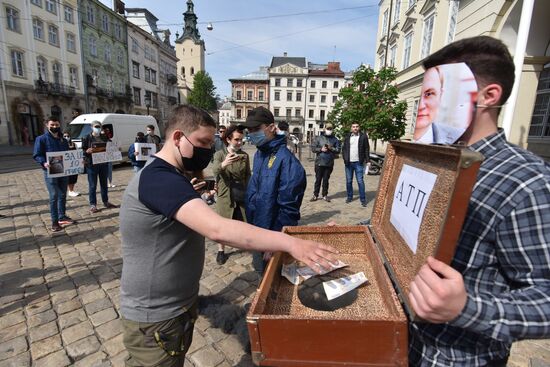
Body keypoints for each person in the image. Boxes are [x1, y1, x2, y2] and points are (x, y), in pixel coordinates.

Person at [119, 105, 337, 366]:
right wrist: (290, 242)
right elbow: (218, 229)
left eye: (211, 143)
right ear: (177, 138)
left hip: (175, 307)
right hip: (156, 314)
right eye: (202, 142)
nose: (207, 150)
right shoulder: (160, 179)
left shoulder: (174, 177)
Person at [407, 36, 550, 365]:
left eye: (434, 93)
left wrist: (466, 308)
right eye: (424, 94)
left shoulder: (527, 183)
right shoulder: (432, 163)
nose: (423, 106)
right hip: (405, 346)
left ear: (488, 96)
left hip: (457, 357)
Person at [242, 106, 307, 275]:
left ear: (271, 127)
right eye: (249, 130)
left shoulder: (287, 161)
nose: (251, 133)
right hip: (256, 229)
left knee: (272, 277)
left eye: (256, 129)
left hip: (272, 236)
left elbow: (289, 209)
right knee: (260, 271)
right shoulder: (259, 154)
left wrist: (277, 241)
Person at [211, 124, 251, 265]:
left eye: (241, 140)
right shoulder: (220, 154)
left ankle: (245, 243)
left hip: (241, 193)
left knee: (243, 220)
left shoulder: (244, 155)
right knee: (222, 224)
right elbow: (215, 171)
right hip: (226, 194)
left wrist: (249, 191)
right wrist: (223, 164)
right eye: (236, 140)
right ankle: (221, 250)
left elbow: (247, 175)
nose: (240, 142)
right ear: (228, 139)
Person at [33, 116, 75, 232]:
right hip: (50, 172)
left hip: (63, 171)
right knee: (54, 195)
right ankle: (54, 222)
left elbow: (67, 154)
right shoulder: (41, 139)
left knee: (62, 194)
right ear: (47, 125)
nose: (55, 127)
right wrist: (44, 162)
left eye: (57, 125)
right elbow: (37, 155)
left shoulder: (63, 139)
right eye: (52, 125)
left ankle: (62, 216)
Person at [82, 121, 117, 213]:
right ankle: (93, 204)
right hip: (92, 165)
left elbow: (111, 146)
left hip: (103, 164)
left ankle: (105, 201)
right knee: (93, 185)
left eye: (99, 127)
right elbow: (82, 150)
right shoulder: (87, 137)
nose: (97, 128)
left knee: (104, 184)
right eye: (96, 126)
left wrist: (116, 149)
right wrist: (86, 151)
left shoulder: (104, 137)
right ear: (91, 127)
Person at [310, 123, 341, 202]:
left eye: (330, 129)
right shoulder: (319, 138)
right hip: (319, 162)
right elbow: (313, 148)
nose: (329, 130)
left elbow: (338, 150)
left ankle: (325, 195)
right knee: (318, 179)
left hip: (329, 163)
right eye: (328, 128)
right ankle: (315, 195)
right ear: (324, 129)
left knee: (326, 180)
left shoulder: (335, 139)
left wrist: (331, 148)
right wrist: (321, 149)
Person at [341, 123, 370, 207]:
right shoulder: (347, 136)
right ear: (351, 128)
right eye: (353, 127)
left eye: (357, 126)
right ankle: (349, 197)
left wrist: (368, 160)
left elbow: (366, 149)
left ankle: (363, 199)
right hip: (348, 163)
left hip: (358, 162)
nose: (355, 128)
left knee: (360, 181)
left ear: (359, 127)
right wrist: (345, 158)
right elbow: (344, 149)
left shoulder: (363, 136)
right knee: (349, 181)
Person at [63, 131, 80, 197]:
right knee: (68, 178)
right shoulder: (61, 144)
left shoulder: (74, 144)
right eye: (65, 136)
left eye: (68, 136)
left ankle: (71, 190)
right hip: (66, 164)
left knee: (74, 177)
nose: (66, 137)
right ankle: (70, 191)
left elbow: (78, 152)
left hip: (74, 164)